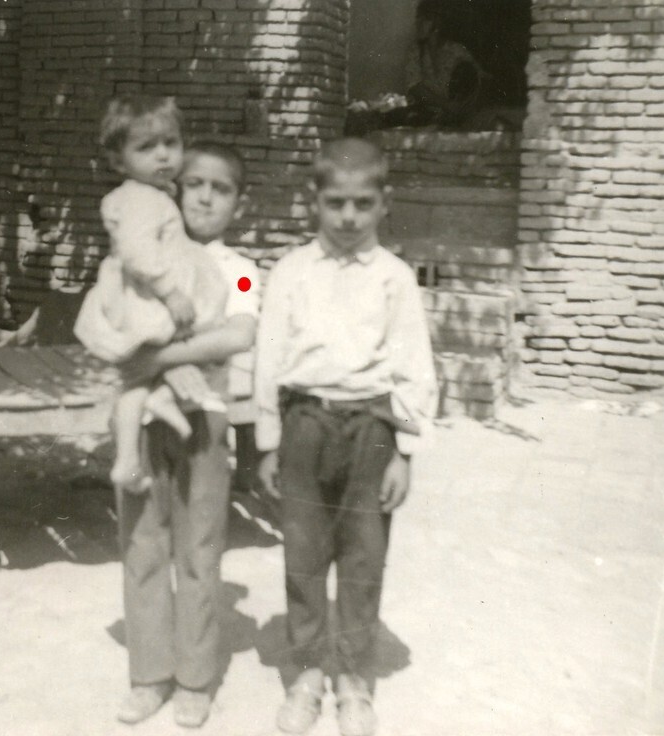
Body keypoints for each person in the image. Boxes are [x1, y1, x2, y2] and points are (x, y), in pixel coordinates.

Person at [254, 138, 437, 736]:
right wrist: (268, 442)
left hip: (371, 429)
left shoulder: (395, 279)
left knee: (364, 556)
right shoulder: (290, 273)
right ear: (314, 200)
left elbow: (413, 368)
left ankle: (355, 679)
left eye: (363, 203)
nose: (349, 217)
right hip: (305, 423)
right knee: (303, 555)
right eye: (336, 203)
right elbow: (268, 360)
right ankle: (308, 673)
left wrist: (404, 454)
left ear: (385, 202)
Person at [111, 141, 260, 728]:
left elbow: (238, 334)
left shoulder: (239, 271)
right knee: (143, 544)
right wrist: (153, 367)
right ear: (173, 190)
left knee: (199, 547)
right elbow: (115, 319)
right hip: (142, 418)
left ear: (238, 204)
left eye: (220, 189)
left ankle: (195, 678)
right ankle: (150, 674)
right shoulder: (147, 257)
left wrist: (160, 359)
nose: (204, 198)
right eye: (194, 184)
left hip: (205, 417)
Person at [73, 96, 228, 493]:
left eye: (170, 143)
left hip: (143, 298)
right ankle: (154, 408)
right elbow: (137, 253)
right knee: (185, 349)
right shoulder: (141, 199)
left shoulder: (148, 195)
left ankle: (128, 455)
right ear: (118, 161)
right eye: (146, 147)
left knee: (135, 380)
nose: (162, 155)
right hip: (147, 299)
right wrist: (170, 292)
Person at [404, 0, 485, 128]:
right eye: (418, 18)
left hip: (454, 121)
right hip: (424, 119)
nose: (418, 23)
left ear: (438, 23)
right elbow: (414, 87)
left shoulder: (457, 51)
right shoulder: (416, 51)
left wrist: (461, 107)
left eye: (426, 19)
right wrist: (447, 105)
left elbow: (478, 80)